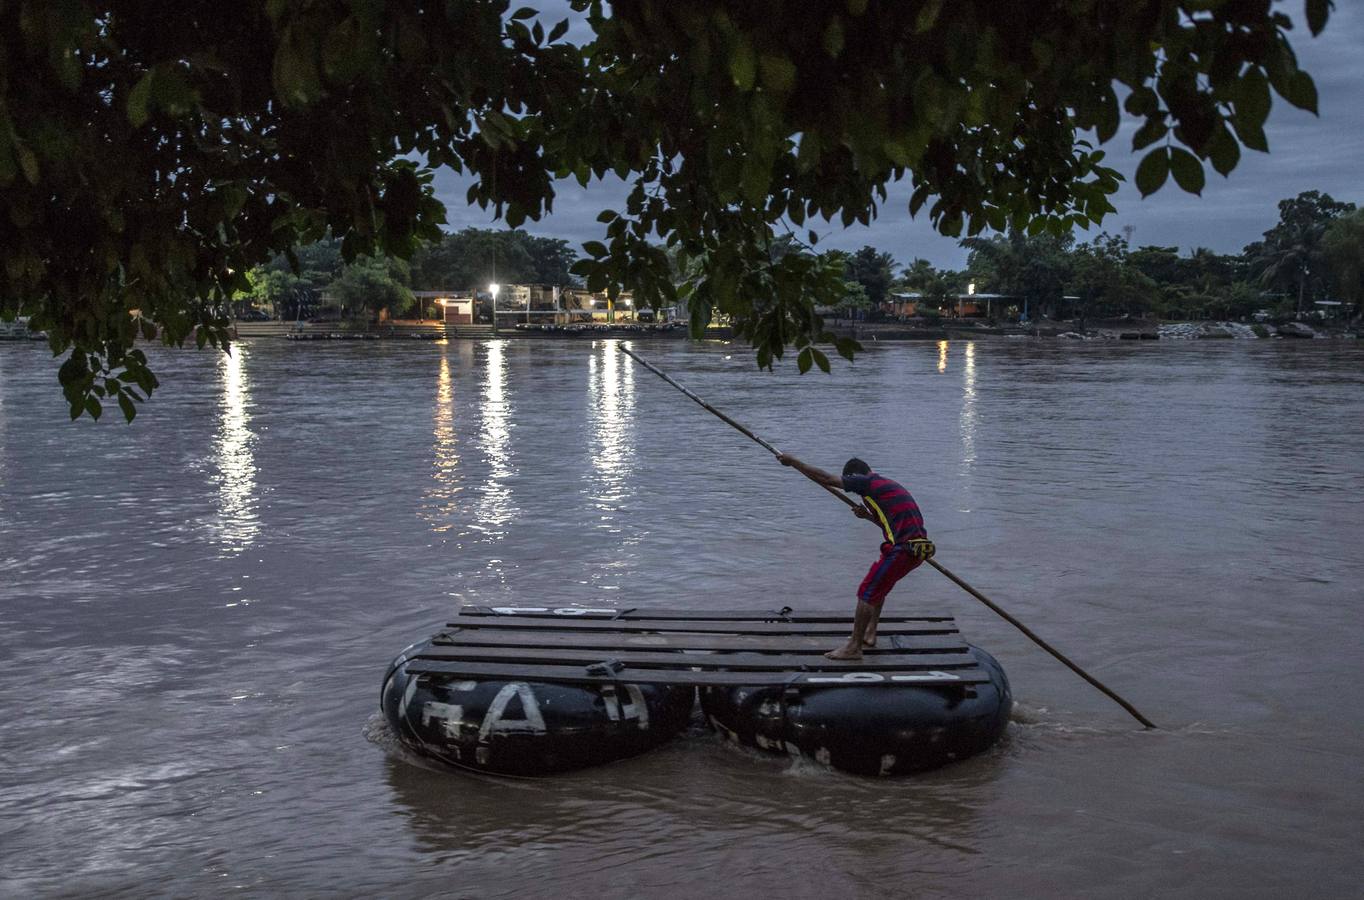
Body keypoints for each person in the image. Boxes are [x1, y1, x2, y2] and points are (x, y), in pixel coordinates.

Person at [776, 454, 935, 660]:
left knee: (867, 591)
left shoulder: (868, 482)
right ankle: (870, 633)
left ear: (854, 476)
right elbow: (890, 522)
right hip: (912, 548)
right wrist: (868, 516)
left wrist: (793, 462)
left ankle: (854, 647)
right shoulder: (882, 487)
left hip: (904, 549)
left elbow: (826, 479)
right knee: (878, 585)